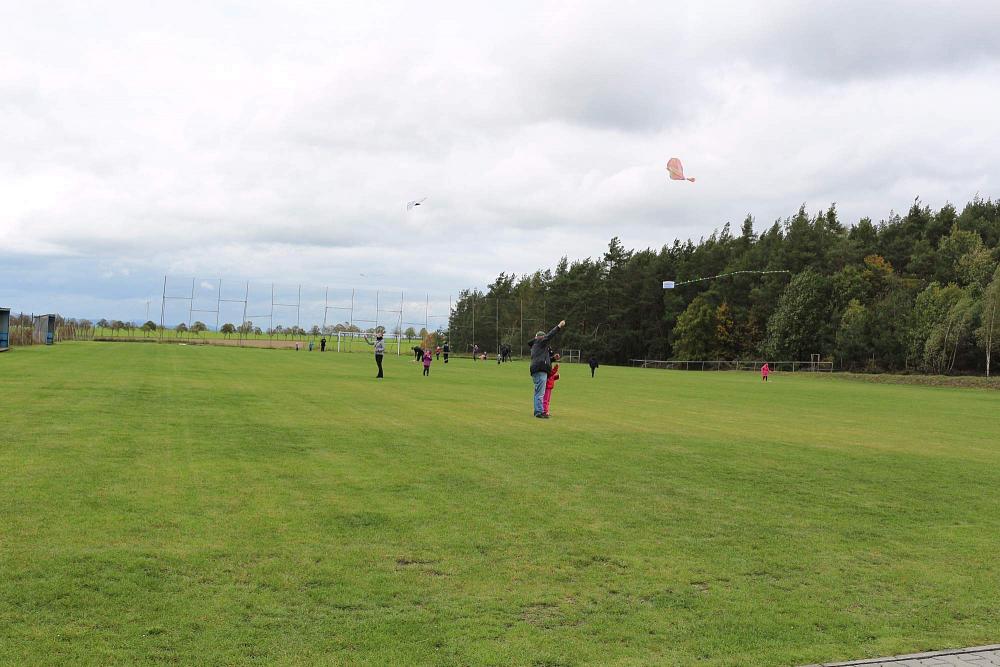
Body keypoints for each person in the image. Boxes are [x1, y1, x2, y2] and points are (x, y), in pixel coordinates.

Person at [529, 320, 566, 418]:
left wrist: (553, 358)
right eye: (544, 337)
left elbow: (544, 359)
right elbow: (550, 335)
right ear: (540, 337)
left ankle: (538, 411)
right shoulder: (539, 342)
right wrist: (559, 326)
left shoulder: (537, 346)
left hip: (537, 369)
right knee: (540, 393)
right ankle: (539, 412)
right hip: (540, 370)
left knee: (538, 392)